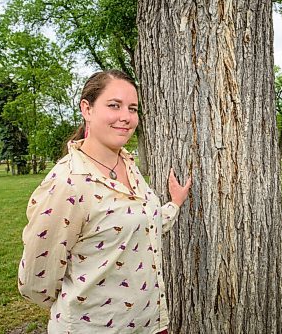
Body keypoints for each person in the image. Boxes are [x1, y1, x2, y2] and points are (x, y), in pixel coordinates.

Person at [18, 69, 191, 333]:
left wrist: (174, 205)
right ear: (87, 109)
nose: (126, 117)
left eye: (132, 109)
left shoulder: (128, 165)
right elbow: (35, 280)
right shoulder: (69, 182)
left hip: (150, 324)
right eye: (114, 105)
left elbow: (142, 225)